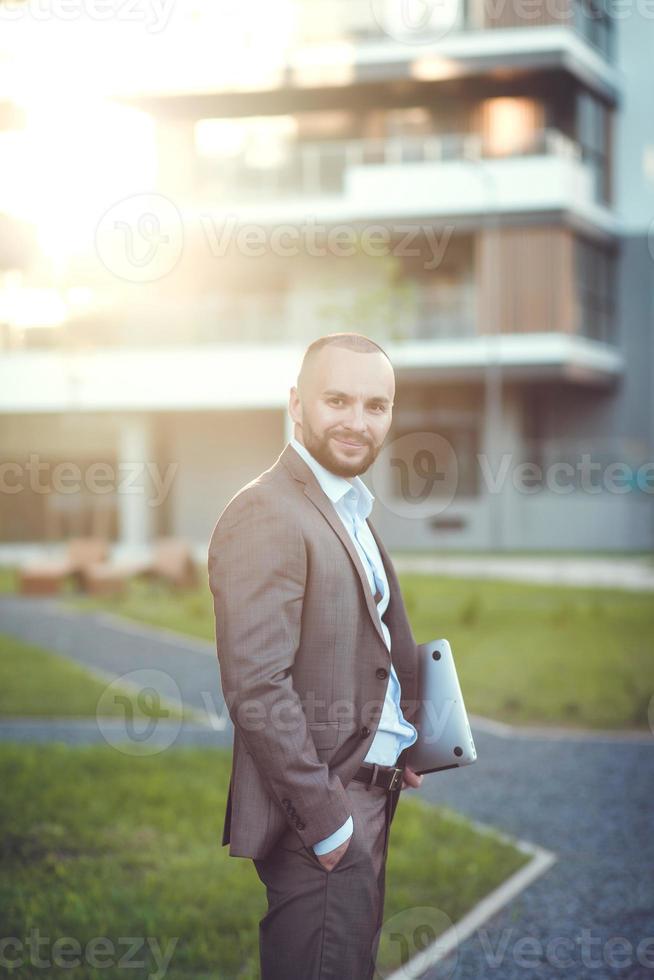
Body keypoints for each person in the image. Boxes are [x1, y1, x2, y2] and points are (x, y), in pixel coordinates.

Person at [208, 332, 424, 980]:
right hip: (321, 815)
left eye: (376, 406)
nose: (358, 422)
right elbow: (256, 686)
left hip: (369, 797)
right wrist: (329, 826)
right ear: (297, 404)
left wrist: (405, 740)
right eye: (339, 400)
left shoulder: (349, 508)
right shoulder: (267, 512)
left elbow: (368, 642)